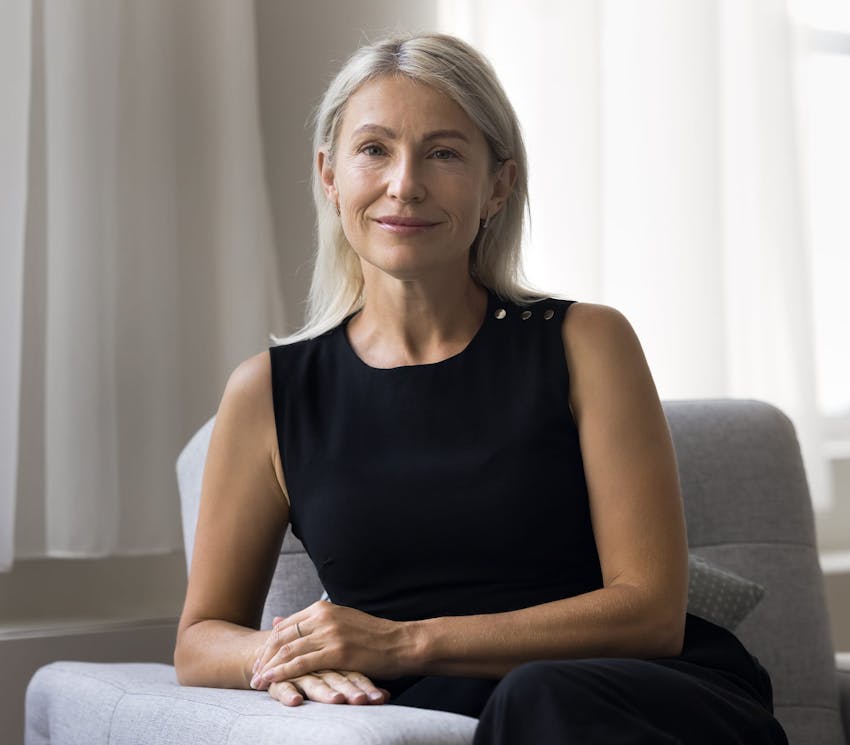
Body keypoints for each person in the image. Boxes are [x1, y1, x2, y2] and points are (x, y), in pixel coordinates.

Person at [174, 31, 789, 744]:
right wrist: (292, 654)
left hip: (639, 694)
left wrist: (403, 644)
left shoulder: (587, 342)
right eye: (374, 149)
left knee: (538, 698)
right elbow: (199, 638)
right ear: (329, 175)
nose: (405, 182)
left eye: (443, 152)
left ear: (498, 184)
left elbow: (650, 610)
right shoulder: (268, 394)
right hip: (451, 714)